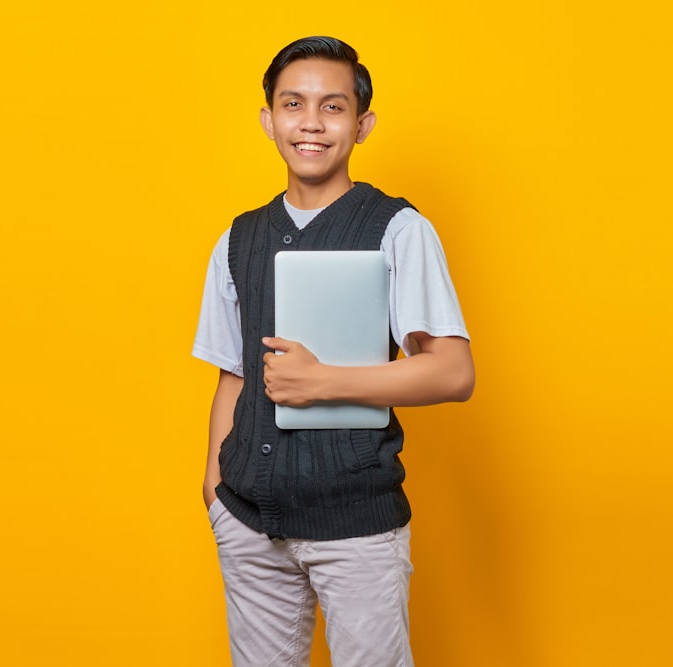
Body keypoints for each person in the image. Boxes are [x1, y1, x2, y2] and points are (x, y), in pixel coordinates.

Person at [192, 36, 475, 667]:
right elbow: (233, 375)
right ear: (269, 119)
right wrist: (214, 489)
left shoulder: (400, 230)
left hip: (357, 527)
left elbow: (454, 371)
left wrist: (324, 382)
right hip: (248, 520)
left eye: (333, 106)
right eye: (294, 104)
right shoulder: (238, 239)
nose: (312, 123)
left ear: (362, 124)